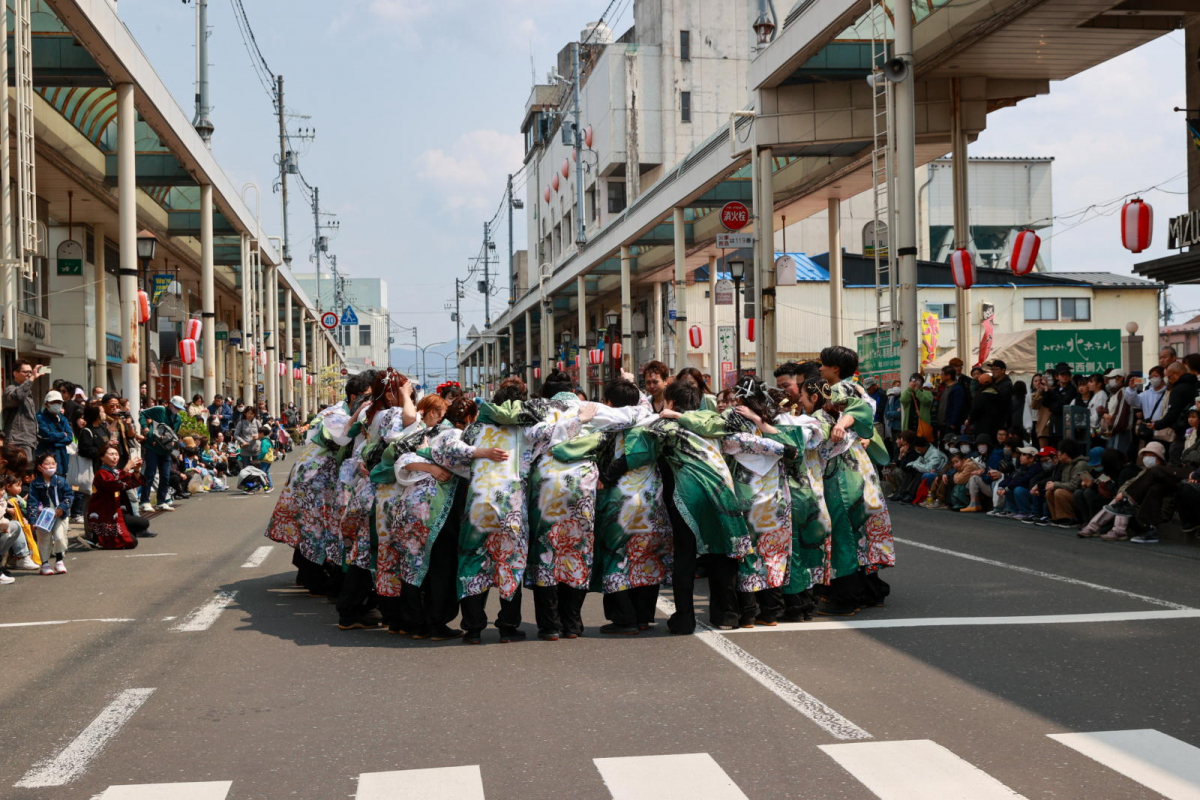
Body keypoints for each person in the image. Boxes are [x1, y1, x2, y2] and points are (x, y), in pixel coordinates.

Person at [88, 443, 150, 548]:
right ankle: (98, 538)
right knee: (132, 543)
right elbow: (113, 484)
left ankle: (102, 537)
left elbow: (132, 482)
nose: (115, 457)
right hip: (104, 515)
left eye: (116, 454)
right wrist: (126, 469)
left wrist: (136, 470)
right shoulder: (101, 473)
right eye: (111, 454)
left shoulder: (116, 471)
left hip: (117, 512)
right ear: (102, 457)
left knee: (144, 523)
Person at [26, 452, 74, 575]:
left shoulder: (61, 481)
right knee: (44, 539)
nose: (51, 466)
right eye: (47, 464)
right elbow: (32, 502)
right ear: (40, 467)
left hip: (60, 514)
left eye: (53, 463)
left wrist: (62, 508)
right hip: (43, 516)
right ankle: (45, 564)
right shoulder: (35, 483)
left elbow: (69, 495)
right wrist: (32, 520)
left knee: (59, 536)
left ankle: (59, 561)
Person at [138, 395, 183, 513]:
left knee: (165, 475)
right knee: (150, 474)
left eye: (179, 408)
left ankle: (161, 501)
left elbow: (173, 433)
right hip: (153, 446)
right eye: (176, 407)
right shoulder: (160, 410)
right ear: (170, 404)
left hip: (165, 449)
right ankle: (144, 501)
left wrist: (172, 441)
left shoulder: (178, 419)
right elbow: (142, 413)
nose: (177, 410)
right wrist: (144, 427)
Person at [4, 360, 43, 462]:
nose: (29, 375)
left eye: (31, 372)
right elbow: (18, 397)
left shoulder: (27, 392)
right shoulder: (11, 389)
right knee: (19, 472)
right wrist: (32, 379)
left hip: (29, 441)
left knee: (26, 474)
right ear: (15, 373)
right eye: (26, 372)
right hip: (18, 440)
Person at [35, 390, 74, 476]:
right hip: (46, 455)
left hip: (62, 456)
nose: (57, 405)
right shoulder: (40, 418)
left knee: (62, 479)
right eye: (54, 402)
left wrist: (55, 442)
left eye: (59, 402)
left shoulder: (63, 418)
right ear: (46, 404)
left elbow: (70, 438)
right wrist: (62, 434)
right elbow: (47, 436)